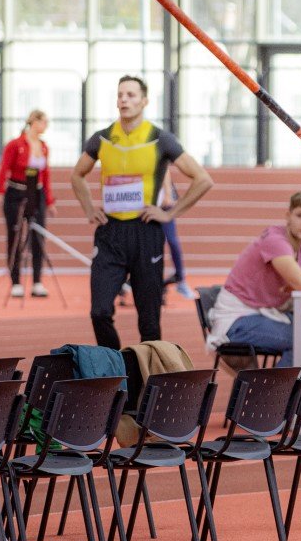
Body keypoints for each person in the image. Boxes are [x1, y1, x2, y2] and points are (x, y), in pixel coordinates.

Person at [70, 76, 213, 350]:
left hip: (146, 232)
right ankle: (115, 365)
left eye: (131, 95)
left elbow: (203, 179)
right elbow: (77, 175)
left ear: (144, 101)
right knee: (99, 311)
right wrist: (89, 208)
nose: (124, 99)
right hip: (110, 233)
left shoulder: (160, 139)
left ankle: (147, 373)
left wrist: (170, 213)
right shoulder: (102, 138)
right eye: (120, 94)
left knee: (149, 322)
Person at [205, 191, 301, 367]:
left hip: (271, 314)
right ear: (288, 216)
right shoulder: (275, 240)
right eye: (300, 215)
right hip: (238, 317)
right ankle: (273, 386)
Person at [0, 109, 57, 298]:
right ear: (34, 122)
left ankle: (37, 282)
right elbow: (4, 168)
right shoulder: (15, 144)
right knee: (15, 237)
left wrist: (49, 200)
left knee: (38, 237)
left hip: (36, 193)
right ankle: (16, 282)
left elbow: (46, 175)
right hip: (16, 192)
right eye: (44, 122)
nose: (46, 126)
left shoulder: (44, 147)